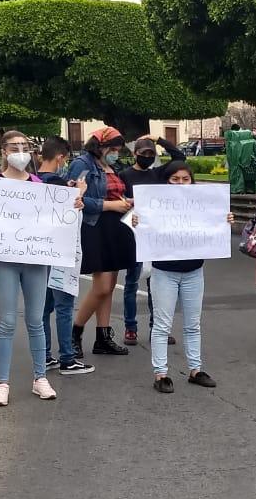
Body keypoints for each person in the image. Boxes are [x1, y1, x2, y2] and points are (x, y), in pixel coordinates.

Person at [0, 131, 79, 405]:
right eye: (14, 147)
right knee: (8, 322)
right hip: (5, 262)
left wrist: (74, 206)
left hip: (36, 261)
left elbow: (59, 218)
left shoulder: (40, 186)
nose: (20, 151)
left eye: (25, 146)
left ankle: (40, 378)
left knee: (36, 320)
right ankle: (2, 383)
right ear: (3, 151)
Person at [129, 161, 233, 392]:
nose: (180, 184)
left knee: (193, 324)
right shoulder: (154, 205)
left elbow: (212, 224)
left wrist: (223, 221)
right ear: (165, 181)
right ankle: (161, 374)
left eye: (185, 179)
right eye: (174, 179)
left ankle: (195, 369)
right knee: (162, 325)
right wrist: (136, 222)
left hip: (194, 271)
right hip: (164, 272)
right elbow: (139, 229)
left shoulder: (200, 204)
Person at [66, 126, 136, 358]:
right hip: (95, 227)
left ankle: (103, 337)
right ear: (100, 145)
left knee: (110, 286)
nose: (116, 152)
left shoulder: (111, 166)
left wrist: (126, 202)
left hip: (116, 226)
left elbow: (114, 193)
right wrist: (111, 205)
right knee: (102, 286)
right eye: (112, 148)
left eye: (118, 149)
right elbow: (75, 199)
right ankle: (74, 332)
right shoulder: (82, 164)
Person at [119, 135, 187, 345]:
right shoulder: (124, 175)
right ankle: (130, 327)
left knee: (155, 285)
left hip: (155, 235)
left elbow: (179, 157)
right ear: (135, 154)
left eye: (151, 154)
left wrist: (159, 140)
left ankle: (157, 327)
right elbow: (119, 198)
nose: (147, 157)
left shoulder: (157, 174)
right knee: (132, 282)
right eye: (144, 153)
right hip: (133, 232)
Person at [37, 136, 92, 375]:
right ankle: (67, 358)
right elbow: (70, 221)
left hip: (37, 252)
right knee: (64, 306)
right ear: (60, 157)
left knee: (44, 307)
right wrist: (78, 194)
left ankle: (45, 355)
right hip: (60, 253)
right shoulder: (61, 187)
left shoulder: (31, 182)